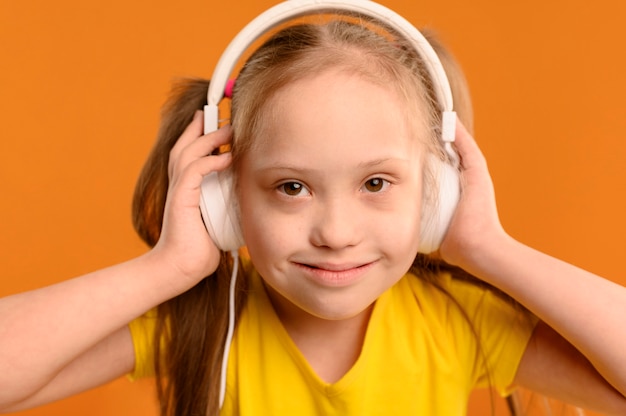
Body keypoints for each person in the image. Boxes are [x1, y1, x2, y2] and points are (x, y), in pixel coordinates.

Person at [1, 4, 626, 416]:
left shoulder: (458, 323)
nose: (335, 232)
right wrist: (166, 269)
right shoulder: (206, 322)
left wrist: (491, 250)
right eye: (291, 188)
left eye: (376, 183)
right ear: (227, 201)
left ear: (437, 194)